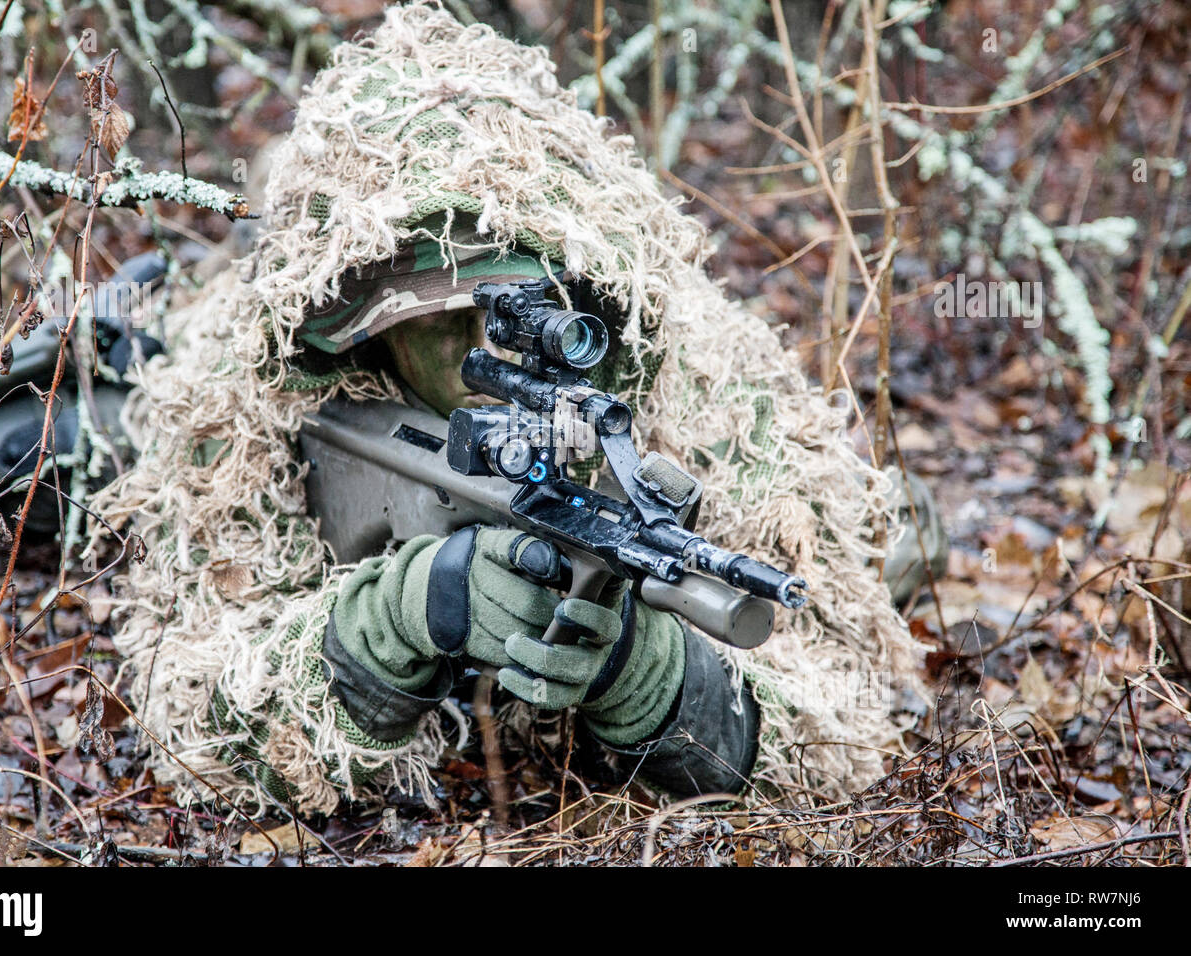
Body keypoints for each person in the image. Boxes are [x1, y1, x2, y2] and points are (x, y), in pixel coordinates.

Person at [94, 2, 941, 816]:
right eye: (433, 320)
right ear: (360, 335)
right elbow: (198, 726)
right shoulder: (249, 403)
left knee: (908, 531)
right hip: (189, 336)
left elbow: (843, 729)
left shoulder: (710, 382)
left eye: (514, 307)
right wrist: (394, 619)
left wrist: (652, 678)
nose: (485, 345)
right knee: (70, 420)